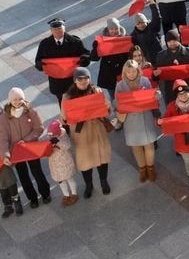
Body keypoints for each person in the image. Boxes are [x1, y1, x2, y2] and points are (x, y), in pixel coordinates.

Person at [60, 67, 114, 198]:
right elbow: (64, 119)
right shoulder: (67, 97)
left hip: (97, 129)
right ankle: (89, 185)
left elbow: (108, 111)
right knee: (85, 162)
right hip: (81, 133)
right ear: (75, 80)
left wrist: (107, 105)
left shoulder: (97, 91)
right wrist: (68, 115)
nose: (83, 81)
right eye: (80, 78)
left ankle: (103, 181)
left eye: (86, 78)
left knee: (102, 158)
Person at [0, 87, 52, 208]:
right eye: (14, 99)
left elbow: (39, 128)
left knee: (37, 172)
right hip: (15, 151)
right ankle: (32, 198)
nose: (17, 101)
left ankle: (45, 193)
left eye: (20, 98)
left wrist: (27, 139)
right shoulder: (3, 118)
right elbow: (2, 138)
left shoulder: (31, 111)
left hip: (30, 147)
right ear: (10, 100)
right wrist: (5, 154)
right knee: (23, 176)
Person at [115, 59, 161, 182]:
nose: (131, 74)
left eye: (133, 71)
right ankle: (142, 169)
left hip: (145, 117)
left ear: (137, 71)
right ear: (125, 72)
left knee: (149, 145)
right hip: (131, 120)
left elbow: (154, 96)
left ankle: (150, 168)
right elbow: (117, 103)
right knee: (136, 146)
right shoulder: (120, 85)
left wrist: (157, 95)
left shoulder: (145, 81)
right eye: (128, 71)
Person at [42, 119, 78, 205]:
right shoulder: (50, 138)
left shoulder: (63, 136)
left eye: (53, 135)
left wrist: (58, 142)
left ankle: (74, 193)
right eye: (49, 135)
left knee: (69, 178)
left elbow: (67, 146)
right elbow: (46, 152)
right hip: (55, 165)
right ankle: (66, 195)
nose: (50, 137)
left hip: (65, 163)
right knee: (61, 181)